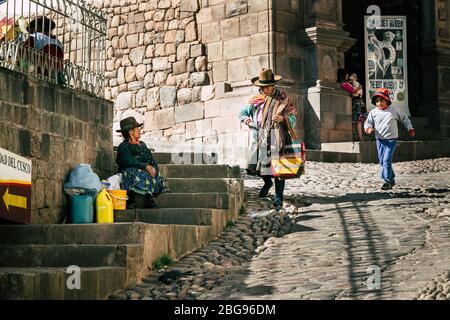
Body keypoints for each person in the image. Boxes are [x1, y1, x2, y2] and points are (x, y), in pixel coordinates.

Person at [239, 68, 297, 211]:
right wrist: (249, 122)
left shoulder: (283, 99)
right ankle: (267, 183)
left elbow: (293, 117)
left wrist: (283, 118)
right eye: (263, 87)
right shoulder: (255, 101)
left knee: (279, 169)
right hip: (260, 138)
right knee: (254, 168)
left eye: (267, 86)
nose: (265, 89)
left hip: (279, 138)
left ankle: (278, 198)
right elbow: (242, 114)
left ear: (273, 85)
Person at [364, 88, 415, 190]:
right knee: (382, 161)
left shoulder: (393, 110)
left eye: (382, 100)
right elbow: (367, 123)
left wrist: (410, 129)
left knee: (386, 160)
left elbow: (404, 119)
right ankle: (391, 179)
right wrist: (368, 129)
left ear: (387, 100)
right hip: (380, 140)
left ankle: (387, 181)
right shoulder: (373, 112)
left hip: (391, 139)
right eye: (377, 101)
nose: (379, 103)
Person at [116, 116, 167, 208]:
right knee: (132, 172)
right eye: (137, 128)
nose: (139, 130)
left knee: (156, 175)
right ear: (130, 132)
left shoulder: (142, 145)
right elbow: (129, 161)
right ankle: (130, 199)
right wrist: (145, 166)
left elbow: (150, 159)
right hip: (128, 173)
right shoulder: (123, 147)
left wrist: (153, 168)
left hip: (143, 171)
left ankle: (149, 197)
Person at [24, 16, 65, 84]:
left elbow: (24, 53)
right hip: (55, 76)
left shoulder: (35, 37)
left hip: (39, 73)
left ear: (37, 27)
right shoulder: (58, 42)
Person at [337, 69, 367, 142]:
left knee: (356, 121)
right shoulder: (345, 83)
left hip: (355, 104)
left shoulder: (343, 83)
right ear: (344, 75)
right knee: (357, 121)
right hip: (355, 104)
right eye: (347, 74)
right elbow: (353, 90)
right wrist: (359, 87)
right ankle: (359, 138)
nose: (348, 75)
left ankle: (357, 137)